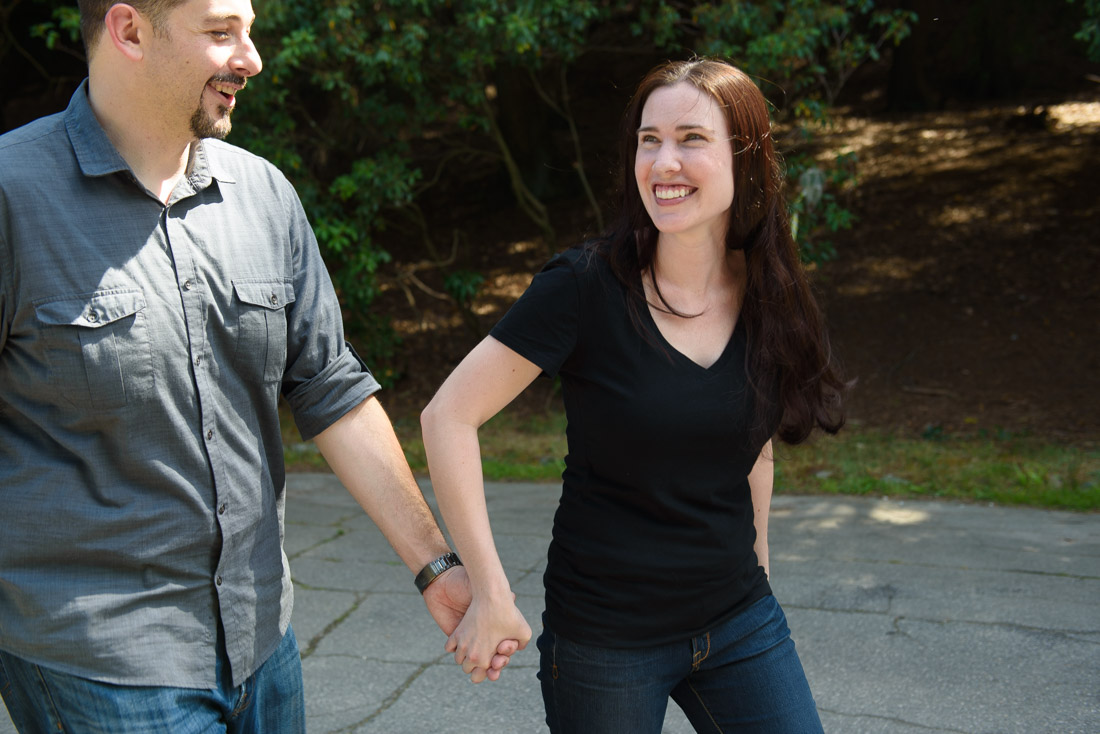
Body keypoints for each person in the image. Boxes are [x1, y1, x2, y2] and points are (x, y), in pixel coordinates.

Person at [0, 0, 514, 731]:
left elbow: (331, 389)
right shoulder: (13, 195)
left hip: (261, 647)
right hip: (100, 662)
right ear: (129, 30)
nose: (252, 58)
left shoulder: (264, 195)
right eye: (221, 32)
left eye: (249, 29)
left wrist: (437, 566)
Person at [421, 57, 847, 732]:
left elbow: (755, 451)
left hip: (739, 624)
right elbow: (448, 416)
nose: (662, 162)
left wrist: (760, 576)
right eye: (649, 140)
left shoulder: (770, 289)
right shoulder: (584, 287)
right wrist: (490, 589)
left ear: (747, 159)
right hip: (605, 642)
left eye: (691, 139)